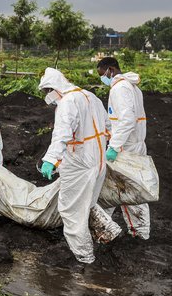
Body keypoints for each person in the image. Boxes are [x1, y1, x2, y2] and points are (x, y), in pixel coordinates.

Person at [38, 67, 109, 263]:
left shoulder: (68, 102)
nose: (48, 97)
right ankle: (104, 234)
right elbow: (108, 126)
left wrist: (50, 160)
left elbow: (62, 134)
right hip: (98, 161)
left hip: (80, 164)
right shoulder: (90, 96)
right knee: (88, 203)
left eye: (47, 92)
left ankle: (84, 256)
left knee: (71, 211)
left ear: (54, 88)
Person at [97, 57, 150, 239]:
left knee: (126, 189)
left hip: (125, 148)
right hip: (133, 143)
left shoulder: (120, 88)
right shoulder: (132, 86)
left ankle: (138, 232)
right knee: (118, 187)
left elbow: (127, 120)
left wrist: (114, 146)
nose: (103, 78)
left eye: (102, 74)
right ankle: (105, 227)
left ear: (110, 69)